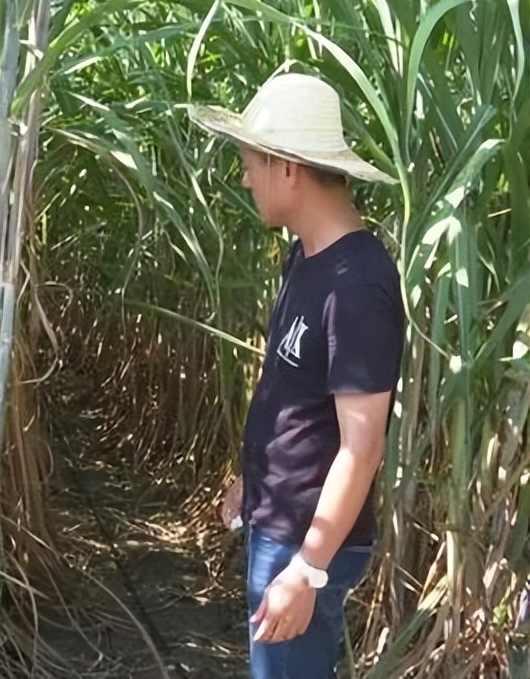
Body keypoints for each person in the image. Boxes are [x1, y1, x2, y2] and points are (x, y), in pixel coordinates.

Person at [189, 73, 405, 678]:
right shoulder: (305, 257)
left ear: (288, 168)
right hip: (277, 520)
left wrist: (307, 570)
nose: (244, 178)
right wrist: (251, 483)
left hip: (307, 544)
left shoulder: (356, 285)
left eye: (251, 163)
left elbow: (362, 446)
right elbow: (291, 393)